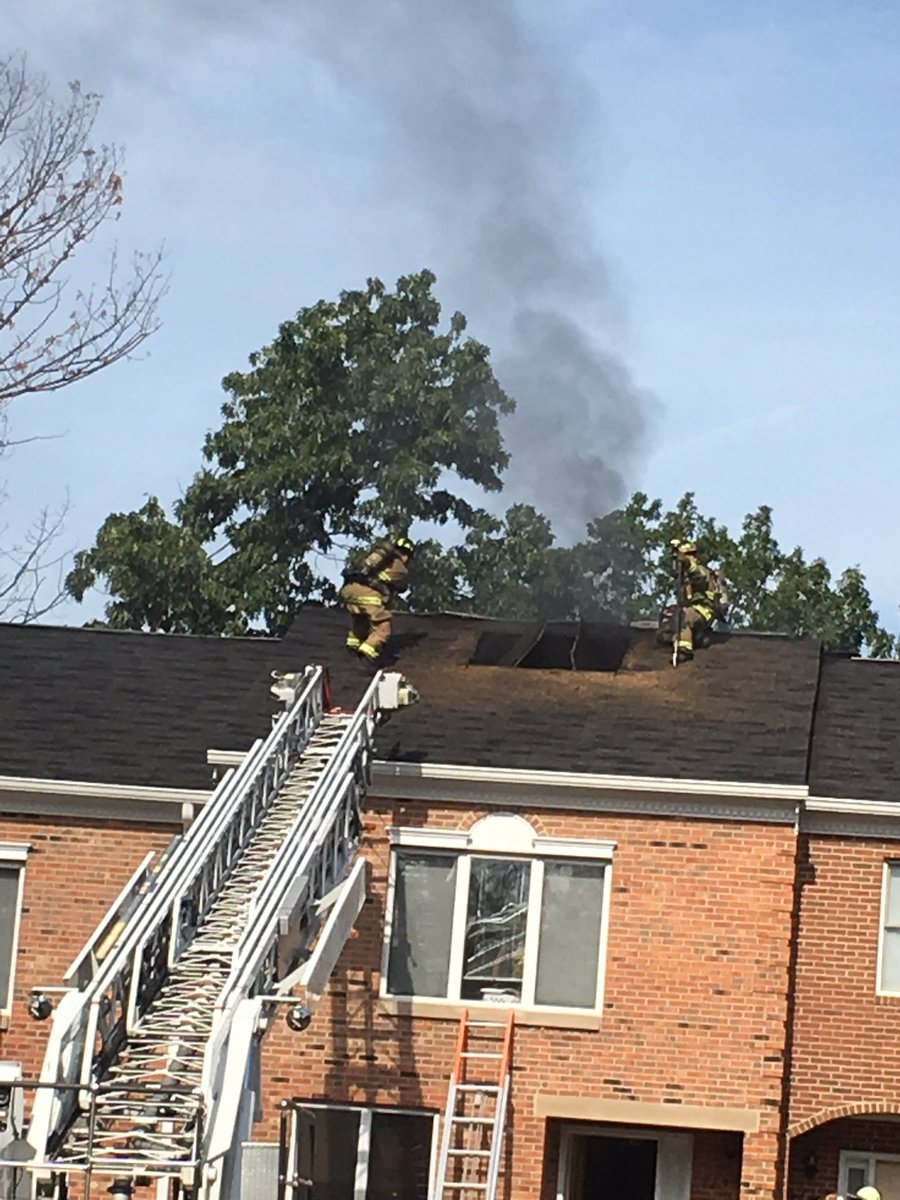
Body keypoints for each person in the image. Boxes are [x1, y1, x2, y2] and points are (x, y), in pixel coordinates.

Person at [339, 535, 415, 664]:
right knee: (383, 628)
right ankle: (368, 653)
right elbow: (402, 587)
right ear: (407, 555)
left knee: (362, 618)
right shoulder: (400, 567)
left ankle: (354, 644)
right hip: (368, 593)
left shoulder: (378, 557)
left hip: (348, 590)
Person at [669, 539, 729, 663]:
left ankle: (684, 651)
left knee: (684, 615)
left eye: (687, 556)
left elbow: (697, 575)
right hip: (693, 611)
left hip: (705, 611)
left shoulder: (703, 572)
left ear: (695, 557)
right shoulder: (684, 580)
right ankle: (698, 638)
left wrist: (685, 562)